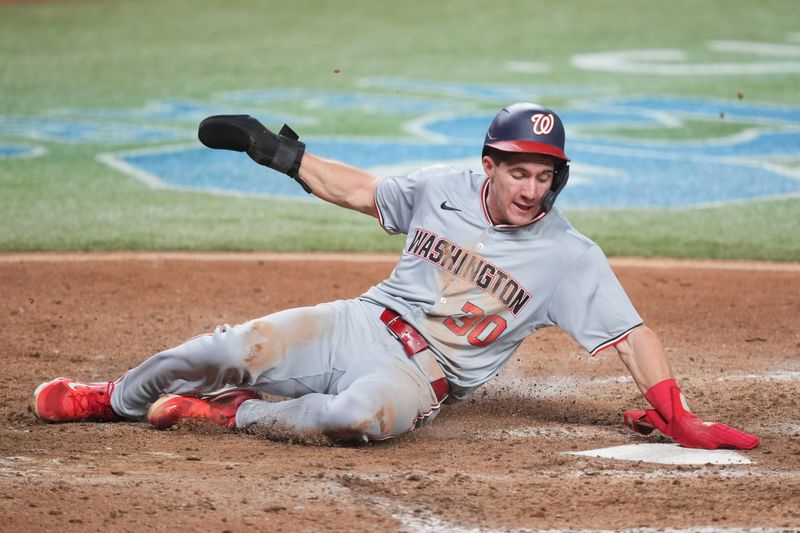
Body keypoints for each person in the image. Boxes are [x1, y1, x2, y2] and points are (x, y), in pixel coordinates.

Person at [32, 103, 759, 450]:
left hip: (422, 377)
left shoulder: (569, 256)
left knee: (354, 420)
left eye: (544, 176)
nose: (532, 189)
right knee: (220, 350)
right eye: (519, 172)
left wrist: (676, 410)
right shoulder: (441, 185)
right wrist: (283, 156)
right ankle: (109, 399)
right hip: (358, 320)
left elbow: (631, 335)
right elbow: (360, 192)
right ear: (490, 166)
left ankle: (229, 413)